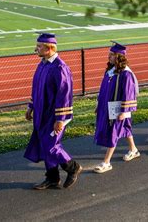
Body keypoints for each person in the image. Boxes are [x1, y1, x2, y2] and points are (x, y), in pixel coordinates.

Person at [24, 33, 82, 190]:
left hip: (54, 115)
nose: (35, 49)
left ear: (49, 48)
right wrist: (31, 107)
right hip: (41, 113)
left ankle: (73, 167)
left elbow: (64, 95)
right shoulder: (42, 64)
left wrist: (60, 119)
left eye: (39, 46)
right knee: (44, 145)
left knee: (51, 145)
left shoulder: (60, 68)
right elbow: (36, 88)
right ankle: (52, 178)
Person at [93, 42, 140, 173]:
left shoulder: (126, 74)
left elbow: (129, 94)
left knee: (112, 132)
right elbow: (102, 90)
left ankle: (106, 162)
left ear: (119, 57)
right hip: (107, 106)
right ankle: (134, 150)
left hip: (117, 109)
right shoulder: (110, 71)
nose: (109, 57)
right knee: (124, 129)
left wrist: (124, 112)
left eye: (112, 55)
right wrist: (98, 104)